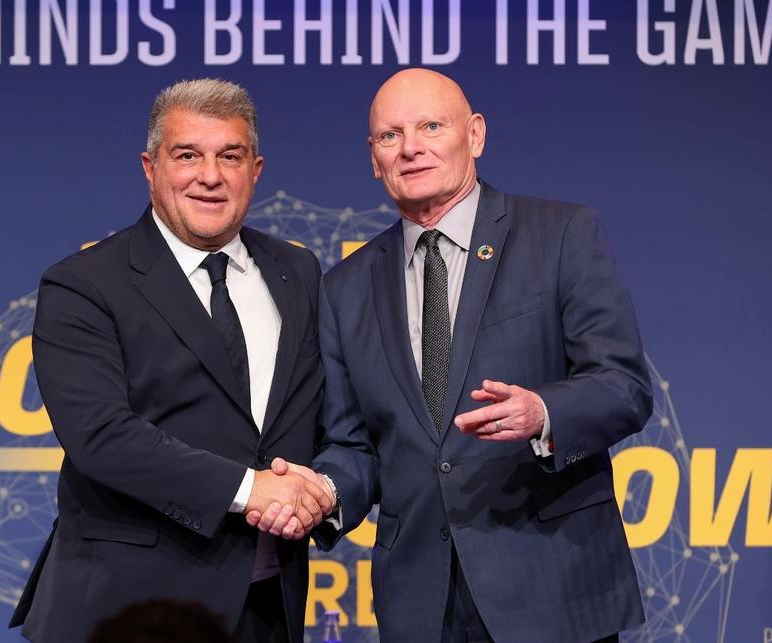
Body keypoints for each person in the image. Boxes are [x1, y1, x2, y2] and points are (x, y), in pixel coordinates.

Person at [253, 69, 652, 642]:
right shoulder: (344, 288)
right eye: (390, 136)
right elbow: (354, 443)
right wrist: (325, 490)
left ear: (476, 134)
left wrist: (544, 412)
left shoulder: (561, 234)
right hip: (421, 605)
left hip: (550, 591)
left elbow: (623, 385)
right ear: (374, 158)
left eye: (430, 126)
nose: (411, 147)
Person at [11, 78, 332, 643]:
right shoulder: (84, 284)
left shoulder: (296, 272)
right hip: (129, 609)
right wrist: (248, 489)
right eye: (188, 155)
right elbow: (101, 436)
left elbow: (320, 415)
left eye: (229, 156)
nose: (210, 176)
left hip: (266, 605)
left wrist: (324, 490)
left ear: (255, 170)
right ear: (150, 167)